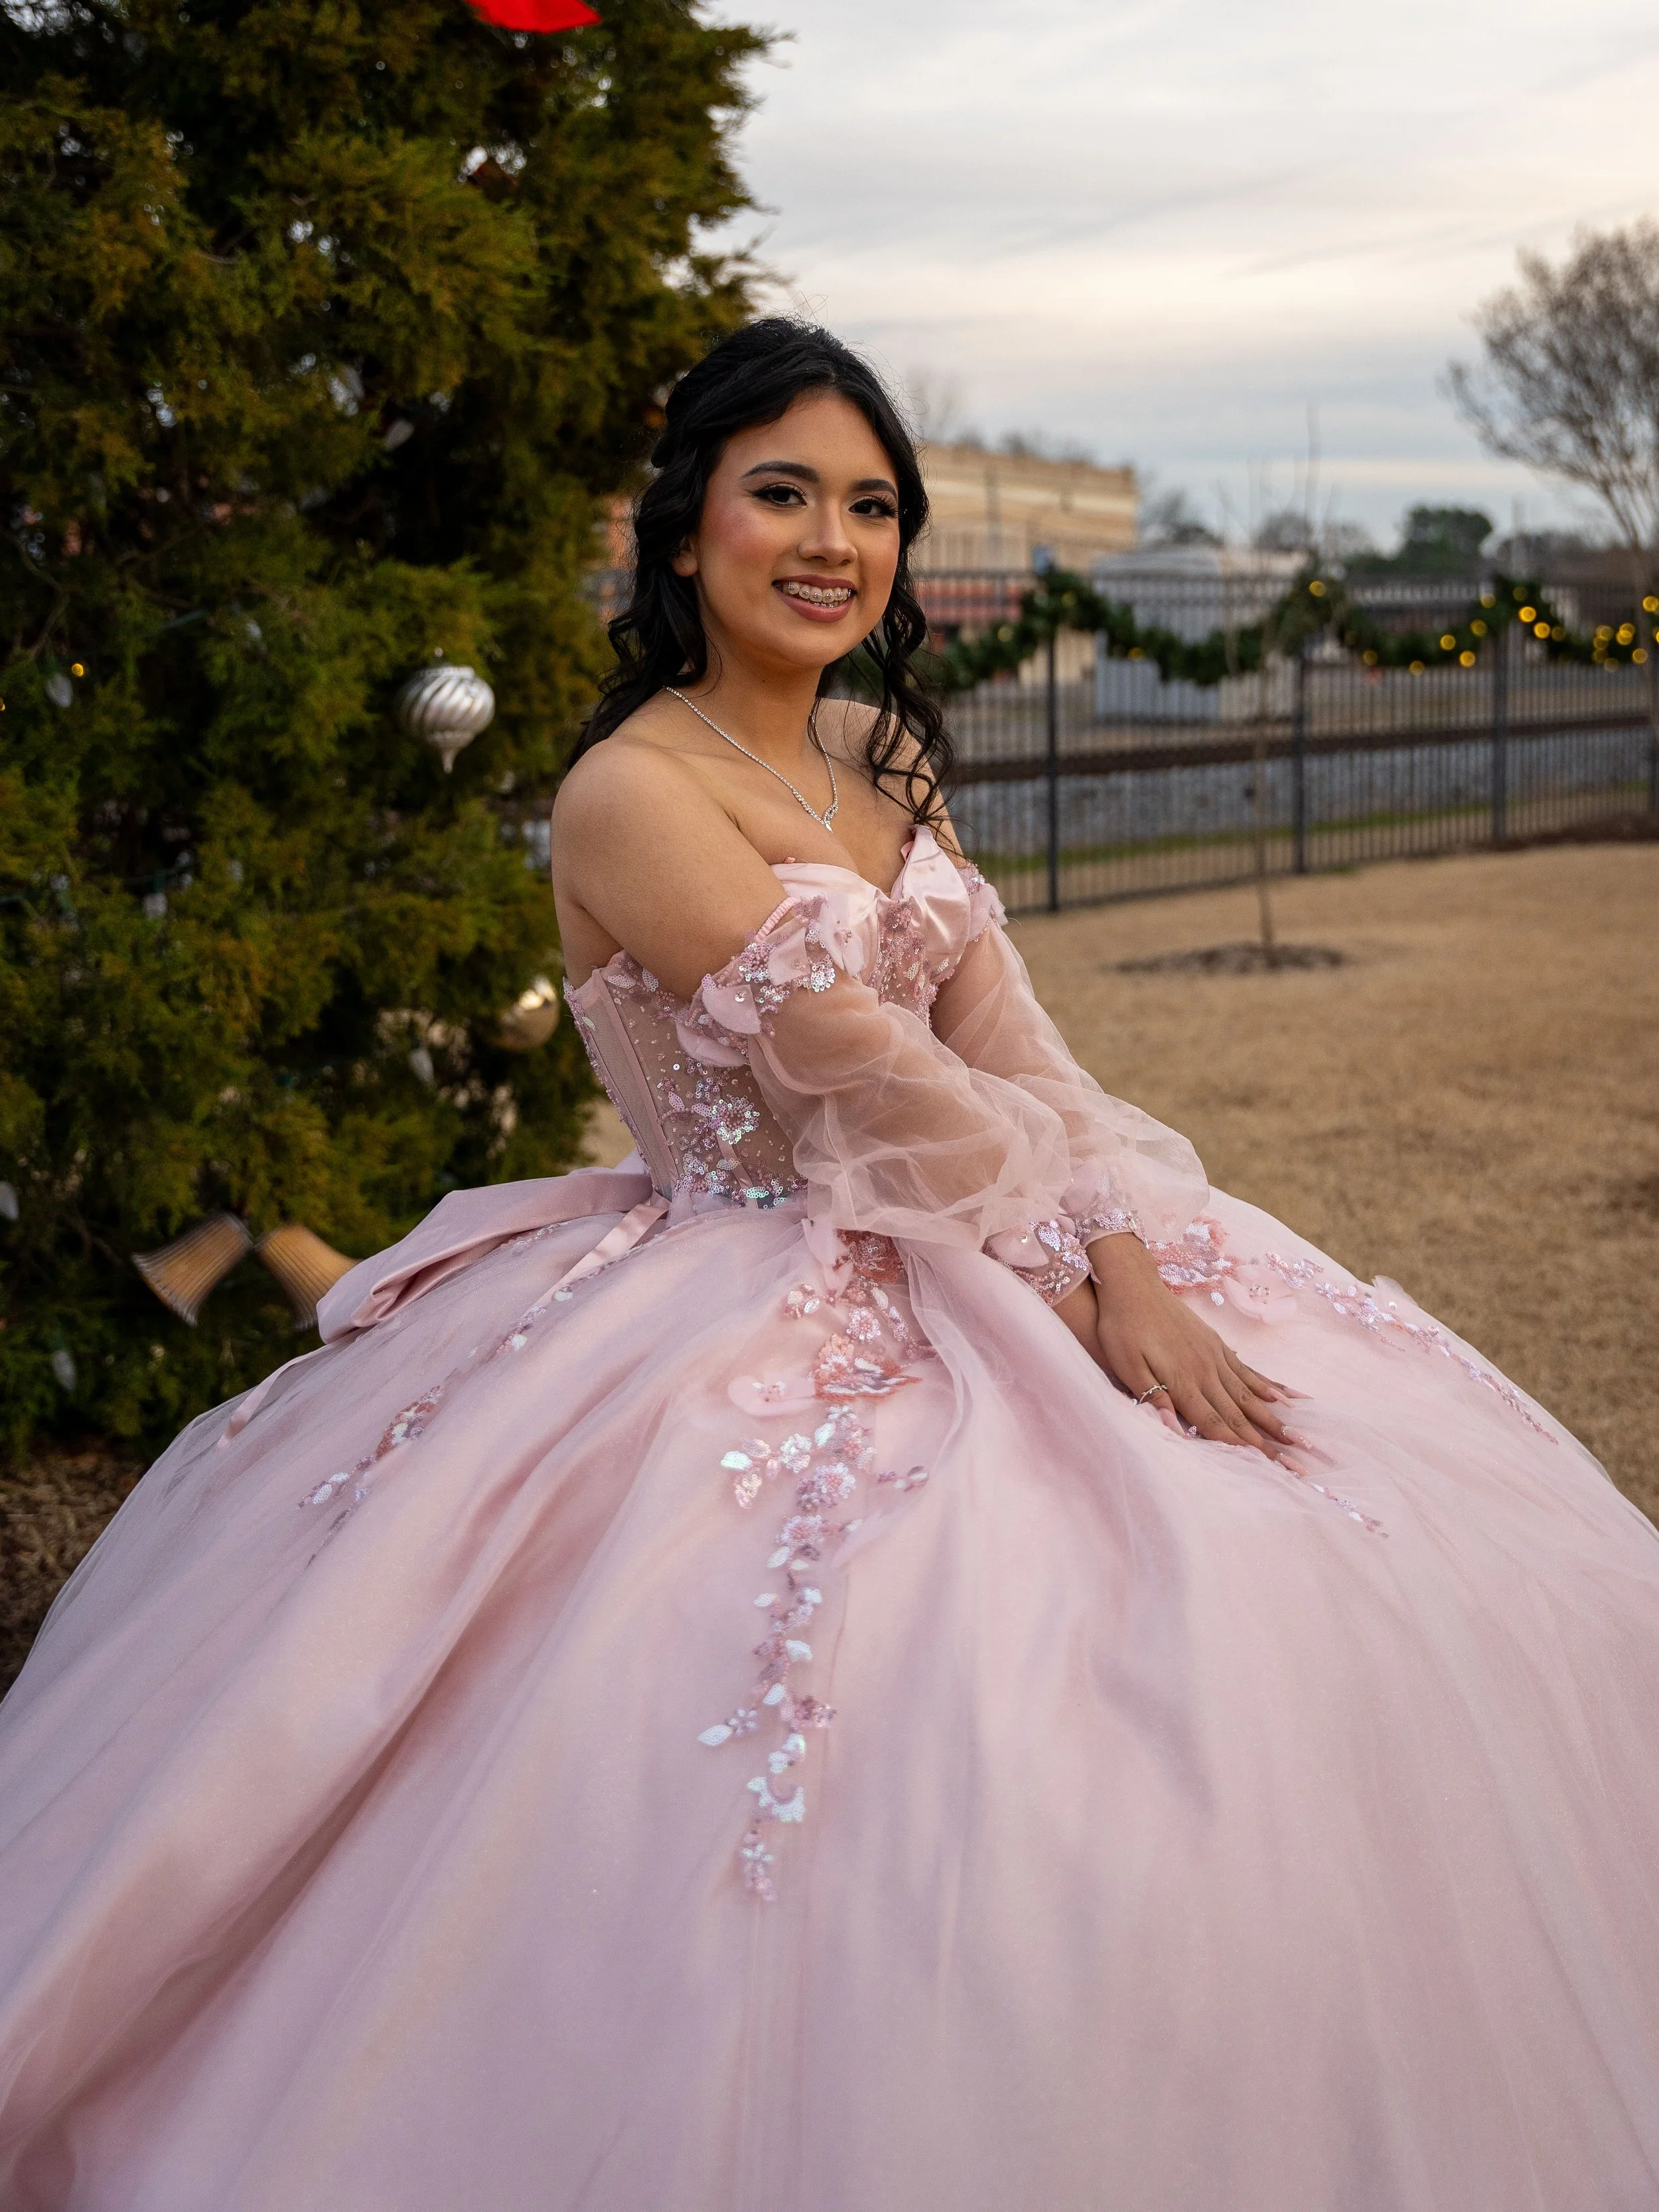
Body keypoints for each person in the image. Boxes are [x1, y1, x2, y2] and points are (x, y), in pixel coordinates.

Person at [1, 319, 1656, 2212]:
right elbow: (859, 1073)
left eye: (869, 504)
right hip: (743, 1277)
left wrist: (1131, 1245)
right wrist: (1082, 1268)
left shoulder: (883, 758)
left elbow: (1015, 1050)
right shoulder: (633, 791)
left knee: (1399, 1562)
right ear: (686, 524)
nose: (829, 539)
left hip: (1025, 1218)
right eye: (780, 489)